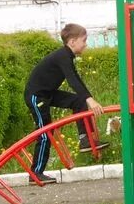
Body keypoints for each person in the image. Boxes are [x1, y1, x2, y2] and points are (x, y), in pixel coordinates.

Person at [25, 23, 107, 184]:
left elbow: (76, 79)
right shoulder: (63, 55)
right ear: (72, 41)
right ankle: (36, 173)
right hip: (37, 96)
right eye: (84, 40)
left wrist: (88, 98)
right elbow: (71, 79)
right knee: (44, 134)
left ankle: (85, 140)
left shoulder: (66, 56)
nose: (86, 44)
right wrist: (90, 99)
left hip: (48, 93)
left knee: (79, 101)